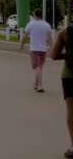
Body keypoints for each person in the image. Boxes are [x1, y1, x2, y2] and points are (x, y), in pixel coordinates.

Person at [51, 24, 73, 158]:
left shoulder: (64, 33)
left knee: (71, 112)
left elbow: (53, 55)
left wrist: (68, 55)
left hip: (69, 76)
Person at [20, 8, 52, 92]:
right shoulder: (46, 25)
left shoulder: (30, 24)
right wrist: (52, 48)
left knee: (37, 67)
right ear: (41, 15)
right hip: (43, 50)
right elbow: (50, 38)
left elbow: (25, 36)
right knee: (40, 67)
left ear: (34, 14)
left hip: (34, 49)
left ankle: (40, 86)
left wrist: (21, 45)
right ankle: (36, 84)